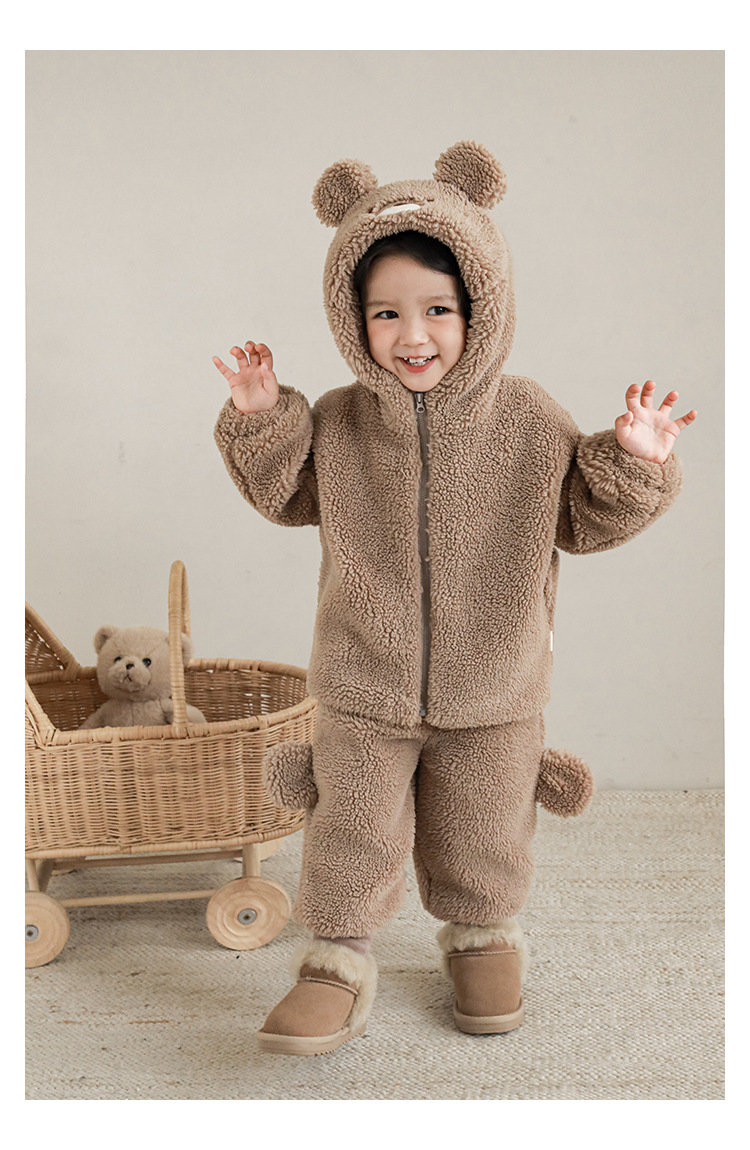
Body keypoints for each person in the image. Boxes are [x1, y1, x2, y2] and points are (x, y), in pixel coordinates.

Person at [213, 142, 697, 1057]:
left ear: (481, 306)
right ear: (352, 320)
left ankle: (482, 937)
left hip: (495, 688)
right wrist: (262, 416)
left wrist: (635, 461)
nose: (413, 335)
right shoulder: (342, 424)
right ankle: (336, 961)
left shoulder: (527, 418)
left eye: (438, 309)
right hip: (364, 684)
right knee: (351, 830)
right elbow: (283, 494)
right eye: (385, 313)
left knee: (485, 832)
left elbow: (584, 518)